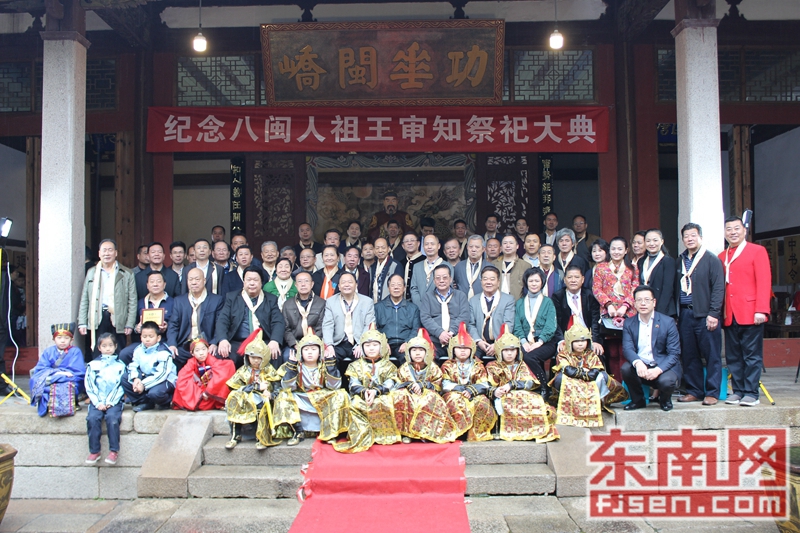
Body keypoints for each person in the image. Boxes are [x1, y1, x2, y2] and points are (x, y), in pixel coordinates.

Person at [719, 216, 772, 407]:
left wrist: (761, 309)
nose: (732, 232)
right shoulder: (722, 256)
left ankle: (751, 392)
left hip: (751, 312)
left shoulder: (757, 251)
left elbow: (764, 281)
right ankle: (738, 390)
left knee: (751, 355)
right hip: (730, 313)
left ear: (744, 230)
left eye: (736, 228)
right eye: (728, 229)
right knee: (733, 356)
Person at [675, 223, 725, 406]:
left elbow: (718, 288)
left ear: (700, 237)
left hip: (705, 315)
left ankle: (712, 392)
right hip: (686, 315)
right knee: (689, 354)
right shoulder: (680, 260)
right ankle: (694, 390)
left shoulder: (711, 259)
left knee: (711, 354)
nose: (689, 239)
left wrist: (714, 313)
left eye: (693, 235)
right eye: (686, 236)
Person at [272, 330, 350, 446]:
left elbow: (334, 386)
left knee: (341, 394)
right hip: (302, 397)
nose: (310, 353)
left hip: (322, 397)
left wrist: (330, 366)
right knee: (283, 395)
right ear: (300, 352)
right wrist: (292, 369)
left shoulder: (324, 364)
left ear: (320, 352)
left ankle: (330, 433)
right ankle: (297, 431)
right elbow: (288, 387)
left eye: (313, 349)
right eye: (306, 349)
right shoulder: (294, 365)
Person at [332, 325, 401, 453]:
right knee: (354, 404)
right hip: (361, 396)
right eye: (367, 345)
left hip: (382, 396)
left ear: (381, 347)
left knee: (389, 401)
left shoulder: (388, 365)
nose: (371, 348)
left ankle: (383, 435)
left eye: (375, 345)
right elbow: (353, 384)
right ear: (362, 347)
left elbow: (390, 382)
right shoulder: (355, 365)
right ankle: (361, 435)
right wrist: (364, 392)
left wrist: (376, 391)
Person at [486, 327, 558, 442]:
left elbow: (529, 382)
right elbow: (488, 384)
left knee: (540, 405)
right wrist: (495, 391)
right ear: (500, 350)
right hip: (503, 396)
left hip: (522, 394)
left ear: (517, 351)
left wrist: (512, 384)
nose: (510, 353)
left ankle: (533, 429)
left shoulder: (521, 364)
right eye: (506, 350)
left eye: (513, 350)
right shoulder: (492, 366)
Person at [549, 324, 626, 427]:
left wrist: (584, 374)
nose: (580, 344)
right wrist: (585, 373)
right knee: (560, 378)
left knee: (603, 376)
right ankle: (565, 404)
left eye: (583, 341)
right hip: (571, 383)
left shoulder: (591, 354)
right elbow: (568, 370)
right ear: (569, 342)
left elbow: (596, 371)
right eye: (576, 341)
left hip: (589, 383)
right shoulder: (563, 354)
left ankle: (599, 402)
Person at [621, 285, 682, 412]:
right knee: (626, 369)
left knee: (667, 382)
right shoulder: (629, 323)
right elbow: (627, 348)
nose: (643, 303)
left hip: (662, 366)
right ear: (634, 303)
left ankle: (665, 400)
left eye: (647, 300)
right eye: (639, 300)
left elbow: (674, 353)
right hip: (642, 366)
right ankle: (638, 400)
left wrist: (658, 370)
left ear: (654, 302)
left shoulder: (668, 322)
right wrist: (638, 363)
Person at [393, 328, 458, 444]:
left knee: (431, 398)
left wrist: (423, 385)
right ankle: (406, 433)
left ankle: (426, 432)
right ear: (409, 353)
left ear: (427, 352)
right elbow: (398, 383)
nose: (417, 353)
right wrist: (410, 386)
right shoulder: (404, 368)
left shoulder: (433, 367)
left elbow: (438, 385)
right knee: (400, 396)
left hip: (427, 393)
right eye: (414, 350)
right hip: (410, 394)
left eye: (420, 350)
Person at [216, 266, 284, 368]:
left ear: (261, 283)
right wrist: (223, 339)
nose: (252, 283)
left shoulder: (270, 299)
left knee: (275, 354)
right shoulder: (232, 297)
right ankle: (229, 384)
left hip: (262, 342)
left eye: (255, 280)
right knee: (223, 354)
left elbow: (278, 322)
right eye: (248, 280)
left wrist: (274, 340)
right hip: (238, 342)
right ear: (243, 282)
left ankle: (273, 384)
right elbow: (222, 320)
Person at [78, 239, 137, 356]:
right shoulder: (91, 272)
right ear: (99, 253)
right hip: (97, 316)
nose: (107, 253)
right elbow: (85, 298)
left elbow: (132, 300)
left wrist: (130, 323)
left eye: (110, 250)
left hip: (118, 318)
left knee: (118, 350)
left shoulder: (126, 273)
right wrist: (82, 322)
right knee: (97, 350)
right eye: (104, 250)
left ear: (116, 253)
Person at [224, 329, 280, 449]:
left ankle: (261, 436)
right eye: (252, 357)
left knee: (263, 406)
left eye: (258, 358)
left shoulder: (270, 370)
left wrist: (271, 394)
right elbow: (233, 386)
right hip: (245, 398)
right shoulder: (244, 370)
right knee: (234, 399)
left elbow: (277, 387)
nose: (255, 360)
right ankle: (236, 435)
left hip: (263, 399)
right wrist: (255, 387)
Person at [440, 323, 497, 441]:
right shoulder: (447, 365)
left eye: (466, 348)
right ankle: (458, 432)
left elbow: (484, 383)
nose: (462, 351)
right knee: (454, 400)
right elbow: (445, 384)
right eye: (459, 348)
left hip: (474, 393)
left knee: (482, 401)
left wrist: (471, 390)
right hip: (454, 393)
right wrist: (461, 390)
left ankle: (476, 433)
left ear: (472, 350)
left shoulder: (478, 364)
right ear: (452, 349)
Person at [593, 236, 639, 378]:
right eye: (613, 249)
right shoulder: (601, 268)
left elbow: (635, 289)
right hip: (609, 315)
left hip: (628, 314)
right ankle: (616, 385)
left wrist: (625, 306)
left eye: (620, 249)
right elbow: (596, 289)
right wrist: (609, 305)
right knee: (612, 352)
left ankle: (627, 386)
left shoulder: (632, 269)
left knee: (626, 350)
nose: (616, 252)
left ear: (626, 250)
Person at [513, 268, 558, 399]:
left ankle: (544, 387)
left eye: (536, 281)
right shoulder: (520, 303)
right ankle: (525, 387)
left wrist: (540, 342)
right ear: (526, 282)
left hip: (545, 341)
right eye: (530, 280)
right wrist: (523, 341)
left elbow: (551, 326)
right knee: (521, 354)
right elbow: (517, 325)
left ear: (542, 282)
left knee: (530, 357)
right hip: (525, 340)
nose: (533, 284)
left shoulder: (548, 302)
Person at [167, 267, 224, 370]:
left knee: (219, 356)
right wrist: (172, 344)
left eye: (197, 279)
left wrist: (214, 343)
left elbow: (219, 325)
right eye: (190, 280)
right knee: (169, 356)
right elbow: (173, 325)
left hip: (207, 345)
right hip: (185, 346)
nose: (194, 282)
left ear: (204, 280)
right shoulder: (179, 301)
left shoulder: (216, 300)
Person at [322, 272, 376, 377]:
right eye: (343, 282)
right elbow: (327, 325)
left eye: (350, 282)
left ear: (356, 284)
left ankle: (359, 389)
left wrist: (362, 344)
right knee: (329, 359)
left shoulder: (367, 301)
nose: (347, 285)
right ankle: (334, 389)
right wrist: (329, 345)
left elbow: (369, 325)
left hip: (358, 342)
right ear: (339, 286)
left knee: (364, 359)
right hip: (338, 343)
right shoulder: (330, 302)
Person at [84, 333, 126, 465]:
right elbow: (90, 385)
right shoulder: (93, 365)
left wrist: (110, 402)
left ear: (115, 347)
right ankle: (94, 451)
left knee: (112, 419)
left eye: (110, 346)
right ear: (99, 348)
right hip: (97, 401)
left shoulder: (120, 366)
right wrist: (98, 402)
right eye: (104, 346)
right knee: (92, 418)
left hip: (114, 401)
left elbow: (121, 385)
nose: (108, 349)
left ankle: (114, 450)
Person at [30, 323, 86, 417]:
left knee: (69, 384)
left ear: (71, 340)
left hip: (67, 381)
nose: (62, 341)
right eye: (59, 338)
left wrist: (57, 377)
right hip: (54, 378)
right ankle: (48, 403)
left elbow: (78, 372)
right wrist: (59, 373)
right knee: (36, 381)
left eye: (66, 338)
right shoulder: (48, 351)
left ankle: (70, 403)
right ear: (54, 339)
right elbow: (41, 369)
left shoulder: (75, 351)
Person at [122, 321, 177, 412]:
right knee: (125, 378)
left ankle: (165, 402)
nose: (147, 340)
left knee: (155, 393)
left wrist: (143, 385)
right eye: (144, 337)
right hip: (147, 377)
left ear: (158, 338)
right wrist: (135, 378)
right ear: (141, 337)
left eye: (151, 337)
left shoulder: (163, 351)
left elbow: (162, 374)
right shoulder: (139, 349)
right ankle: (145, 402)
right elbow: (133, 365)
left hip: (163, 380)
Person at [551, 264, 604, 357]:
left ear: (583, 279)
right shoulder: (558, 296)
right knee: (560, 357)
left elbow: (595, 321)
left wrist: (595, 341)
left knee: (598, 355)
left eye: (576, 277)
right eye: (570, 277)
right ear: (565, 279)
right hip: (567, 337)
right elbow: (555, 322)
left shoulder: (589, 296)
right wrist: (561, 340)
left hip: (587, 337)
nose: (573, 280)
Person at [420, 265, 470, 362]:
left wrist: (451, 333)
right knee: (429, 359)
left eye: (445, 277)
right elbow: (425, 317)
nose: (441, 281)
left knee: (463, 360)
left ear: (450, 279)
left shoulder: (460, 296)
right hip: (434, 340)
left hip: (457, 339)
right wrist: (440, 333)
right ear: (434, 281)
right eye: (438, 278)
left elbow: (464, 316)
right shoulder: (427, 297)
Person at [172, 337, 235, 411]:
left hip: (210, 392)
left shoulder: (212, 360)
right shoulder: (191, 363)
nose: (201, 353)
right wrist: (199, 394)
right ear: (192, 353)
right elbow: (182, 379)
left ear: (208, 350)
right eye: (197, 350)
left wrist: (208, 392)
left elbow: (222, 374)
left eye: (203, 349)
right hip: (197, 392)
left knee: (227, 366)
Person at [469, 265, 515, 363]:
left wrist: (497, 343)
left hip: (501, 342)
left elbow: (508, 324)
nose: (488, 282)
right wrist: (479, 341)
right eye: (485, 279)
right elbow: (470, 324)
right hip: (479, 342)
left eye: (492, 279)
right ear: (481, 282)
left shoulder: (508, 300)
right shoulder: (473, 300)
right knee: (469, 358)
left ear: (498, 282)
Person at [374, 274, 421, 367]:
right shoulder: (378, 307)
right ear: (388, 288)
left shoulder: (413, 308)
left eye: (399, 285)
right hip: (385, 343)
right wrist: (382, 342)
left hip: (404, 343)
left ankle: (407, 381)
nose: (396, 287)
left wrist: (408, 342)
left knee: (408, 359)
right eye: (393, 285)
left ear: (404, 288)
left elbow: (416, 328)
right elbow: (375, 328)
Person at [282, 271, 327, 364]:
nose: (303, 284)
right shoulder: (287, 304)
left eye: (306, 281)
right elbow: (286, 328)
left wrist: (311, 343)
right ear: (295, 285)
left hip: (315, 343)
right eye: (300, 281)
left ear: (312, 284)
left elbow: (321, 327)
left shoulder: (321, 303)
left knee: (324, 357)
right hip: (295, 343)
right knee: (287, 356)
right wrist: (294, 344)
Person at [637, 229, 677, 317]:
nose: (651, 244)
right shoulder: (641, 261)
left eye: (655, 240)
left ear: (662, 241)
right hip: (645, 306)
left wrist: (659, 312)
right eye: (648, 241)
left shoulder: (668, 261)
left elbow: (668, 289)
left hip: (663, 308)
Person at [134, 271, 174, 341]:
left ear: (164, 284)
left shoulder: (173, 302)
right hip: (143, 343)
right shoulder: (140, 303)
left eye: (158, 281)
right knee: (125, 352)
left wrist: (167, 327)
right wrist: (137, 328)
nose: (155, 284)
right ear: (147, 285)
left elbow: (177, 325)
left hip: (164, 341)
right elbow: (134, 324)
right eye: (152, 282)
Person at [410, 235, 449, 306]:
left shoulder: (447, 266)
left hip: (439, 308)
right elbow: (414, 289)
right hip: (420, 309)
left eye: (432, 244)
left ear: (439, 246)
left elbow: (448, 289)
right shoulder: (417, 266)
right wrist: (420, 306)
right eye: (426, 244)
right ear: (423, 247)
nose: (429, 247)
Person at [492, 234, 528, 299]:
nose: (508, 245)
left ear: (517, 246)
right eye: (505, 243)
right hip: (496, 303)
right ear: (501, 247)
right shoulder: (493, 264)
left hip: (517, 304)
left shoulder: (525, 265)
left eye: (511, 243)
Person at [453, 235, 485, 299]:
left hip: (482, 304)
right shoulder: (459, 266)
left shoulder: (488, 267)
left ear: (483, 249)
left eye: (477, 247)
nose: (473, 249)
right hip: (461, 304)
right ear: (467, 247)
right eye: (471, 247)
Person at [369, 237, 398, 303]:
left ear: (388, 249)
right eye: (377, 248)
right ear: (373, 250)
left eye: (383, 247)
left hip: (389, 306)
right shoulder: (372, 267)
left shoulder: (395, 265)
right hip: (374, 305)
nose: (380, 250)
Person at [399, 233, 425, 300]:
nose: (409, 243)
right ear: (403, 246)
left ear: (418, 243)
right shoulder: (400, 263)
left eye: (412, 240)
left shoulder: (425, 261)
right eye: (406, 241)